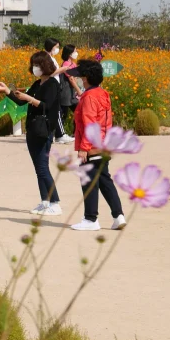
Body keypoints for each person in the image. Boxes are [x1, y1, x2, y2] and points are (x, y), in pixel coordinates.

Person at [0, 51, 62, 216]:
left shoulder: (52, 84)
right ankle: (45, 201)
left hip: (44, 129)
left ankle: (55, 203)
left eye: (37, 65)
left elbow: (46, 106)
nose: (35, 68)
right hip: (33, 129)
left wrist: (29, 98)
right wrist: (7, 91)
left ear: (45, 65)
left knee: (43, 167)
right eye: (33, 65)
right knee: (38, 168)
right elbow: (21, 101)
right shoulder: (38, 84)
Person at [70, 59, 127, 232]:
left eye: (81, 76)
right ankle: (118, 216)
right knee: (104, 180)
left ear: (86, 77)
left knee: (88, 181)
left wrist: (84, 148)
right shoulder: (102, 93)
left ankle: (90, 218)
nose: (79, 78)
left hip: (92, 147)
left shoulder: (89, 98)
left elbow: (89, 124)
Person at [44, 37, 74, 144]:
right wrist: (62, 69)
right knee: (57, 110)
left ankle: (54, 134)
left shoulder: (51, 57)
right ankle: (60, 135)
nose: (58, 49)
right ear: (51, 46)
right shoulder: (46, 58)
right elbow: (49, 73)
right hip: (51, 86)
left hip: (55, 85)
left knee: (55, 111)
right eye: (56, 47)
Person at [59, 44, 84, 134]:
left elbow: (76, 78)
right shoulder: (66, 64)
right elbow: (71, 79)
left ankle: (75, 133)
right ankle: (58, 134)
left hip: (72, 94)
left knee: (78, 112)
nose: (76, 53)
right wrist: (79, 91)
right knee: (63, 114)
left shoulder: (73, 64)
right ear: (70, 54)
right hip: (66, 93)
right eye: (75, 51)